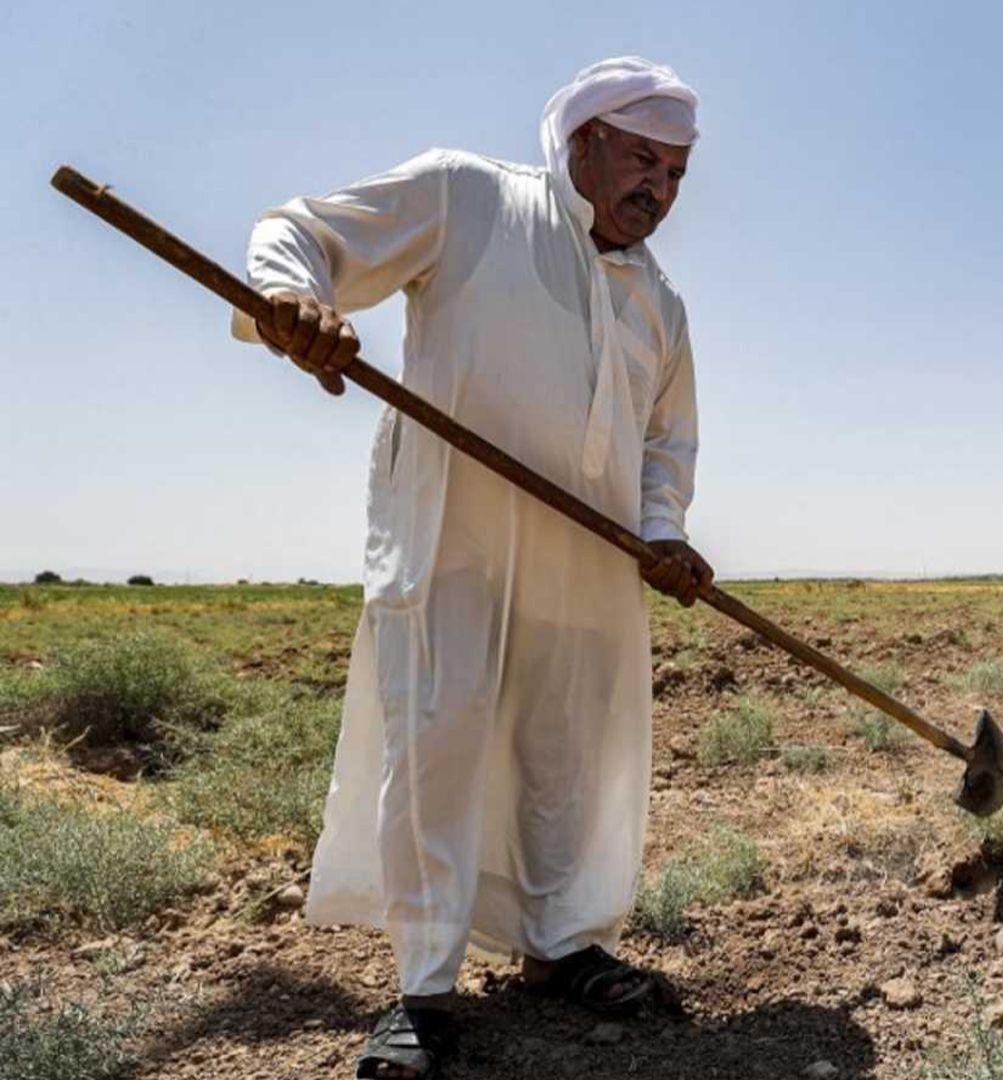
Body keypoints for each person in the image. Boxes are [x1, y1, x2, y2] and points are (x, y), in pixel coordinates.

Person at [234, 57, 713, 1079]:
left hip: (589, 559)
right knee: (438, 748)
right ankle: (424, 991)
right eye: (643, 160)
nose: (660, 190)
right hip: (455, 538)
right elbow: (300, 233)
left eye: (677, 173)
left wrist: (663, 528)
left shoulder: (659, 304)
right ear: (582, 142)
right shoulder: (469, 197)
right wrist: (292, 299)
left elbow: (665, 444)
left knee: (568, 756)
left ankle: (564, 946)